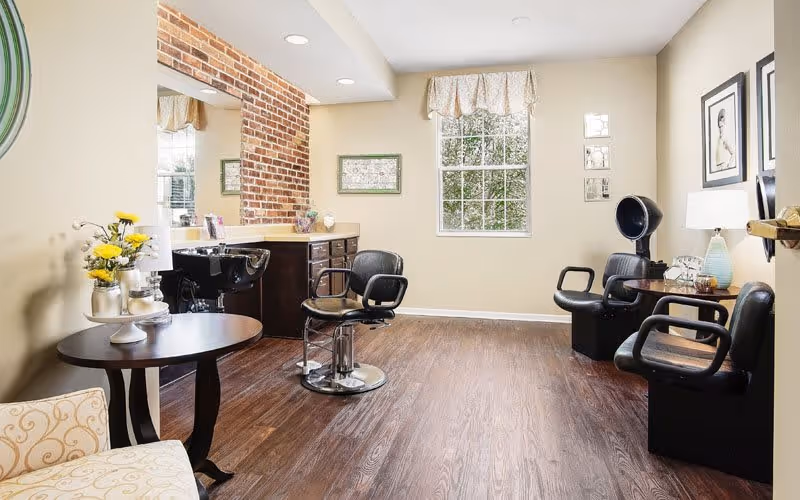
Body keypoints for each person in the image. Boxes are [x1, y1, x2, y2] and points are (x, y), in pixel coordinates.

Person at [713, 108, 736, 172]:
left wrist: (728, 166)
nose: (721, 129)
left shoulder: (725, 139)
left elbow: (733, 153)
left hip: (723, 166)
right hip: (717, 167)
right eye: (719, 127)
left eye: (722, 126)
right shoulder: (718, 139)